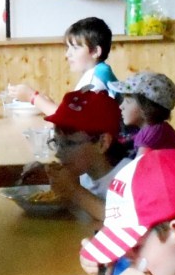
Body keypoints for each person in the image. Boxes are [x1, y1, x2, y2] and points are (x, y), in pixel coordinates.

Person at [28, 90, 132, 223]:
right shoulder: (84, 174)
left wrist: (74, 191)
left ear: (102, 143)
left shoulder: (129, 177)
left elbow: (125, 220)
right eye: (57, 142)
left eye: (69, 143)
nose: (59, 153)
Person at [7, 16, 117, 116]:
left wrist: (32, 97)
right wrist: (48, 104)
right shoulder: (100, 72)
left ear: (96, 51)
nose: (67, 54)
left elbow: (68, 120)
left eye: (75, 48)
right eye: (67, 48)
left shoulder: (94, 81)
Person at [109, 71, 175, 153]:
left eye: (128, 101)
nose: (121, 106)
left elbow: (140, 161)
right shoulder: (156, 129)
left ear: (146, 107)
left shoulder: (152, 132)